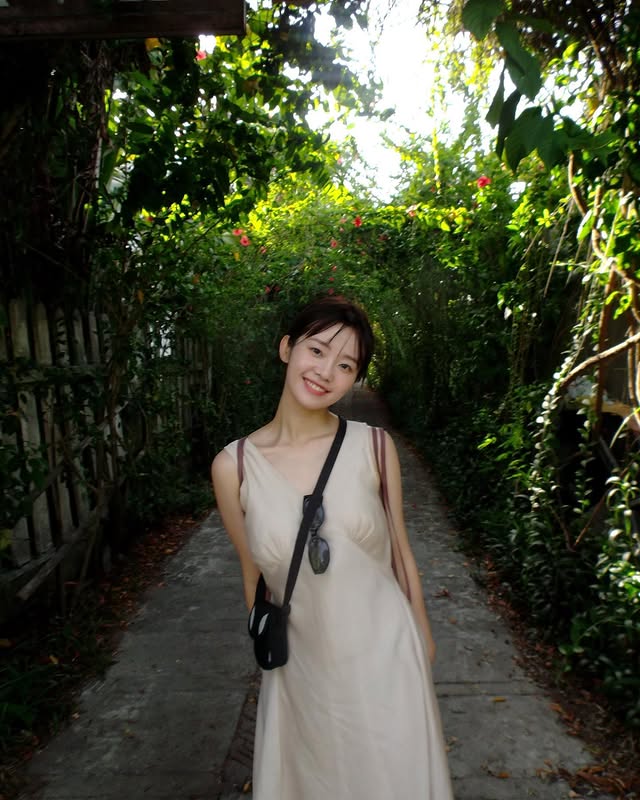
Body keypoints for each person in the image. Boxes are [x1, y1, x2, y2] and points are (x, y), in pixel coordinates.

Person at [211, 295, 453, 799]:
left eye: (345, 365)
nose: (325, 372)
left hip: (387, 660)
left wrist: (422, 643)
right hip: (302, 672)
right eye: (317, 350)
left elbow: (401, 553)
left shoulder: (375, 446)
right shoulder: (233, 467)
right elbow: (253, 577)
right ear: (287, 348)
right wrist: (270, 652)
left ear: (356, 377)